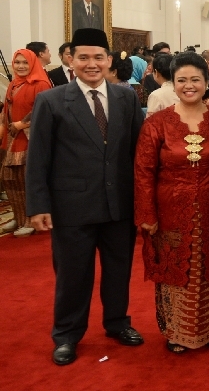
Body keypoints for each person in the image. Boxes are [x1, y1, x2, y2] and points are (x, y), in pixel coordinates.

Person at [27, 28, 145, 366]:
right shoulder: (51, 100)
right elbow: (39, 158)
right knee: (73, 275)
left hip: (119, 205)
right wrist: (38, 205)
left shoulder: (126, 98)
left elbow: (139, 154)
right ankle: (66, 335)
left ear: (109, 61)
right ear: (70, 59)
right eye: (83, 57)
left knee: (118, 271)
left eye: (98, 58)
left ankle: (118, 323)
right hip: (71, 207)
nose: (91, 64)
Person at [135, 52, 209, 353]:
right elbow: (143, 172)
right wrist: (146, 212)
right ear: (173, 82)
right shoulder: (157, 123)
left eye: (196, 79)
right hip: (168, 210)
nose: (189, 85)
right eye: (182, 80)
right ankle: (176, 332)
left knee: (208, 270)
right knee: (175, 272)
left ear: (208, 82)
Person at [0, 49, 53, 236]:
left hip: (30, 140)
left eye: (25, 63)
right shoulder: (13, 83)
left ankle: (30, 219)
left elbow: (45, 113)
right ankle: (18, 216)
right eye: (17, 62)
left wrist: (22, 124)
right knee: (10, 179)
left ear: (33, 63)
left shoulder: (42, 84)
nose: (21, 66)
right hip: (13, 139)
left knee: (26, 181)